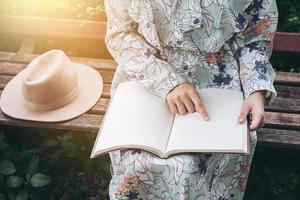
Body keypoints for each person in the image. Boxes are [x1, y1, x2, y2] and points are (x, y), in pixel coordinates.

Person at [103, 0, 278, 199]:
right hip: (149, 76)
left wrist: (255, 91)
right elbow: (120, 33)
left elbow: (257, 35)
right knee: (138, 161)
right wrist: (168, 82)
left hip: (219, 85)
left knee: (193, 166)